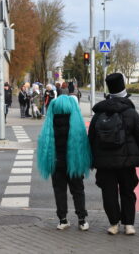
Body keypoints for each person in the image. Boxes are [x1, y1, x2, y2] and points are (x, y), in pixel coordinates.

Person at [88, 73, 139, 235]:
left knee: (109, 193)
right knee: (127, 191)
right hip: (127, 161)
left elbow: (91, 138)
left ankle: (114, 224)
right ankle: (129, 224)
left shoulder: (99, 113)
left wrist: (94, 158)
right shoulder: (130, 112)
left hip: (104, 162)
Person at [37, 95, 92, 231]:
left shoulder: (51, 123)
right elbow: (84, 145)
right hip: (74, 162)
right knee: (78, 190)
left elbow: (44, 145)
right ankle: (82, 220)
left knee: (59, 191)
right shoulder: (76, 124)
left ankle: (62, 220)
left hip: (57, 163)